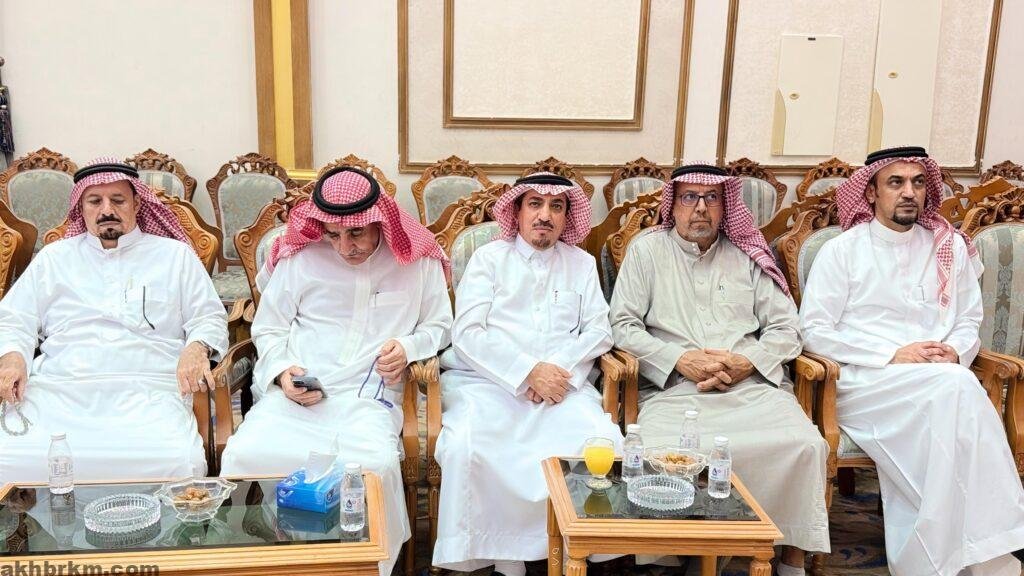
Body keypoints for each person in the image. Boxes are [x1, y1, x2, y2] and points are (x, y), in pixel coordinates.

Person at [800, 146, 1024, 575]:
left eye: (918, 183)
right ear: (870, 192)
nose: (909, 192)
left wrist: (955, 351)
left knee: (953, 397)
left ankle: (943, 554)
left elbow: (968, 318)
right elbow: (814, 331)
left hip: (938, 380)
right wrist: (892, 354)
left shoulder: (948, 246)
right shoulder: (842, 250)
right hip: (866, 382)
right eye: (896, 182)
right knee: (959, 388)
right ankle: (996, 546)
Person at [219, 166, 452, 576]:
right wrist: (283, 373)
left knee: (375, 467)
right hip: (297, 398)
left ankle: (363, 565)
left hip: (369, 399)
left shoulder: (417, 260)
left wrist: (409, 347)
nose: (345, 247)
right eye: (333, 235)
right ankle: (265, 562)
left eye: (356, 233)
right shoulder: (301, 257)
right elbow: (269, 327)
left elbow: (440, 325)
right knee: (244, 454)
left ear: (379, 220)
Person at [609, 163, 829, 575]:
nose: (701, 208)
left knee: (804, 445)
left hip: (750, 388)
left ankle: (792, 560)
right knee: (656, 448)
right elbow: (622, 326)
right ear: (673, 206)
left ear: (725, 205)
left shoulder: (747, 252)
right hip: (676, 390)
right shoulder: (646, 251)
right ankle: (687, 552)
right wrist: (678, 359)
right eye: (689, 198)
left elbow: (787, 328)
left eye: (711, 198)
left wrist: (749, 361)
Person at [432, 173, 623, 576]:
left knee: (600, 441)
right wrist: (527, 372)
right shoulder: (488, 259)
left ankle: (573, 553)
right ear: (516, 211)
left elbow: (599, 332)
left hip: (562, 388)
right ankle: (504, 559)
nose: (545, 215)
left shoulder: (582, 264)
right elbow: (467, 333)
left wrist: (556, 373)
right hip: (488, 384)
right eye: (535, 204)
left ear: (567, 216)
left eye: (556, 206)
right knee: (467, 445)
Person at [0, 157, 227, 484]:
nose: (107, 209)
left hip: (149, 390)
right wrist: (12, 358)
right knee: (9, 457)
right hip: (62, 389)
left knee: (179, 460)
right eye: (95, 201)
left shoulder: (174, 256)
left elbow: (208, 316)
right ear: (81, 208)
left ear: (137, 203)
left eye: (118, 200)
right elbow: (13, 319)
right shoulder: (53, 259)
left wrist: (196, 348)